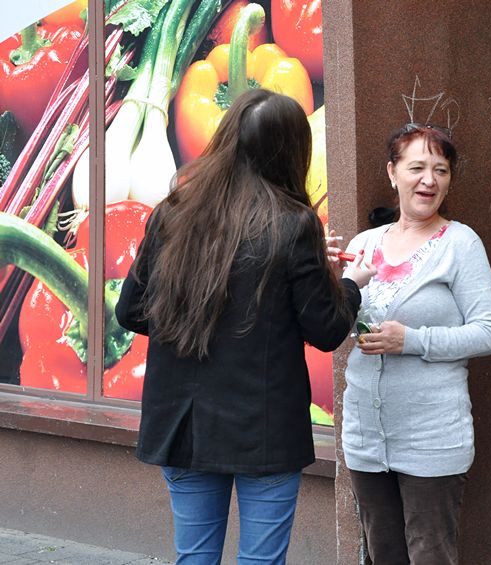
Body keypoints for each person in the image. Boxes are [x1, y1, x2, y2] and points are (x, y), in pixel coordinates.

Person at [115, 89, 375, 564]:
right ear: (292, 151)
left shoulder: (172, 213)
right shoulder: (295, 225)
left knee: (193, 557)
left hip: (184, 424)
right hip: (265, 430)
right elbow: (326, 329)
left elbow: (130, 312)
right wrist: (350, 282)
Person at [331, 123, 491, 565]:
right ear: (393, 173)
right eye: (417, 167)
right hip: (368, 434)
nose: (429, 180)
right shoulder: (364, 245)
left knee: (430, 554)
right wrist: (330, 282)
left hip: (433, 437)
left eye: (441, 170)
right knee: (383, 553)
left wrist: (412, 340)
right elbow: (341, 326)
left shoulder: (461, 244)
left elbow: (488, 333)